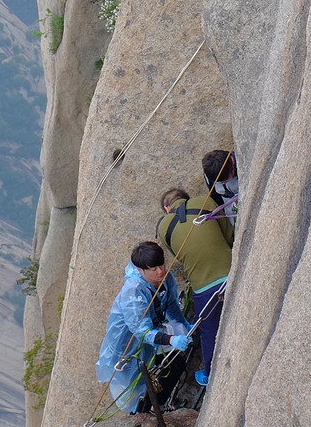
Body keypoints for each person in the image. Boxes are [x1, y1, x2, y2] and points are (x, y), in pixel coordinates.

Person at [156, 158, 235, 386]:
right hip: (229, 269)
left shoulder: (164, 226)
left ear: (167, 209)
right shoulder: (205, 202)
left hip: (203, 287)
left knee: (208, 332)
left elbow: (178, 254)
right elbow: (228, 235)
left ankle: (210, 374)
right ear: (186, 198)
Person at [95, 242, 191, 414]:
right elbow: (141, 330)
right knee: (135, 383)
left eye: (161, 265)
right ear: (141, 270)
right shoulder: (133, 291)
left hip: (149, 338)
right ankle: (145, 412)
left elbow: (171, 305)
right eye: (153, 269)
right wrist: (171, 339)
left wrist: (184, 324)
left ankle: (158, 405)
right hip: (125, 346)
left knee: (175, 365)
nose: (160, 271)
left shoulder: (164, 279)